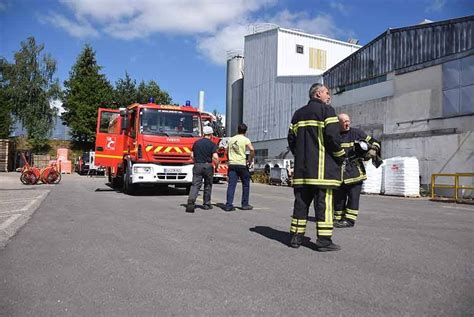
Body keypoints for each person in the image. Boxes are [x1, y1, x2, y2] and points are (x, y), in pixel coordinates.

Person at [288, 83, 345, 252]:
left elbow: (291, 140)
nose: (329, 97)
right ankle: (324, 241)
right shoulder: (327, 111)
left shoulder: (297, 114)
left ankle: (296, 237)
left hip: (302, 171)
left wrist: (301, 157)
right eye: (327, 93)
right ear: (318, 93)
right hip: (322, 172)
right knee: (324, 205)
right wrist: (341, 155)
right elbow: (332, 137)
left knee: (301, 203)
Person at [333, 113, 381, 228]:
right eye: (344, 121)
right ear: (338, 123)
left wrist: (373, 150)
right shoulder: (334, 135)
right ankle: (338, 217)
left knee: (353, 197)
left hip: (355, 171)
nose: (347, 123)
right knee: (339, 198)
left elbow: (375, 142)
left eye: (348, 121)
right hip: (339, 173)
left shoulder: (356, 133)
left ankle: (349, 220)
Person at [185, 126, 219, 213]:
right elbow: (215, 157)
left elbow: (192, 155)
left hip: (197, 165)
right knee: (208, 185)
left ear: (203, 134)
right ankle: (206, 204)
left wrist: (196, 162)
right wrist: (217, 165)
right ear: (211, 134)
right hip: (208, 166)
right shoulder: (212, 144)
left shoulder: (196, 143)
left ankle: (191, 200)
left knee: (195, 185)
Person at [224, 123, 255, 211]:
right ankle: (244, 204)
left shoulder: (231, 139)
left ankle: (229, 205)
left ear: (237, 130)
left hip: (232, 164)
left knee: (231, 185)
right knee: (245, 184)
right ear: (245, 131)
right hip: (242, 164)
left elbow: (226, 151)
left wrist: (229, 159)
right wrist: (250, 160)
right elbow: (252, 149)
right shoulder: (246, 139)